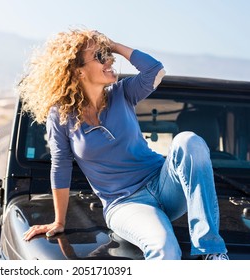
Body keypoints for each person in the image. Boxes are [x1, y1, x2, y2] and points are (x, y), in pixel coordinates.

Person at [18, 28, 228, 260]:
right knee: (164, 249)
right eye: (100, 56)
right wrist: (59, 221)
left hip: (163, 184)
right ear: (78, 71)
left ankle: (211, 252)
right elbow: (60, 166)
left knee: (189, 141)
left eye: (108, 53)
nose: (110, 60)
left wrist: (114, 45)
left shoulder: (122, 93)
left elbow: (155, 70)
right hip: (125, 203)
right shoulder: (61, 116)